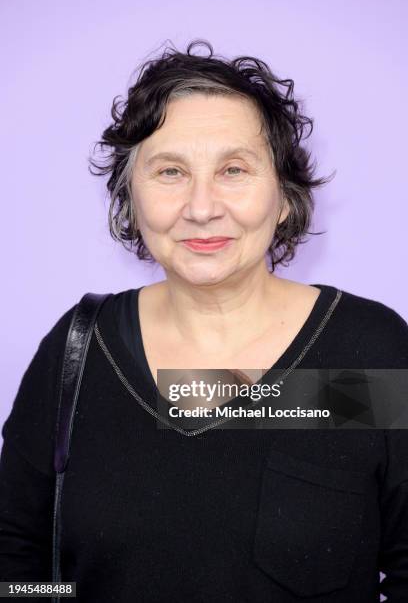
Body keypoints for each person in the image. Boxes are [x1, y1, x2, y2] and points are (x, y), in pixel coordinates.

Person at [1, 39, 407, 602]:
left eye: (234, 170)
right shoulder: (78, 350)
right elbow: (15, 560)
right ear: (129, 197)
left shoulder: (368, 353)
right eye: (170, 172)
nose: (201, 206)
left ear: (285, 197)